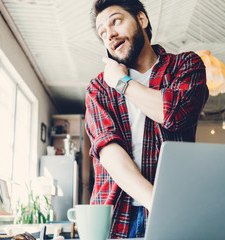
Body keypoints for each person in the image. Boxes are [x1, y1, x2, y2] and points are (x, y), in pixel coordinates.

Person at [85, 0, 209, 238]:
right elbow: (108, 152)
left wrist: (122, 83)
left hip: (176, 210)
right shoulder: (98, 87)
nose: (109, 34)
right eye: (102, 33)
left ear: (141, 20)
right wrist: (157, 203)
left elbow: (172, 114)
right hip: (115, 218)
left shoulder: (185, 65)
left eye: (116, 21)